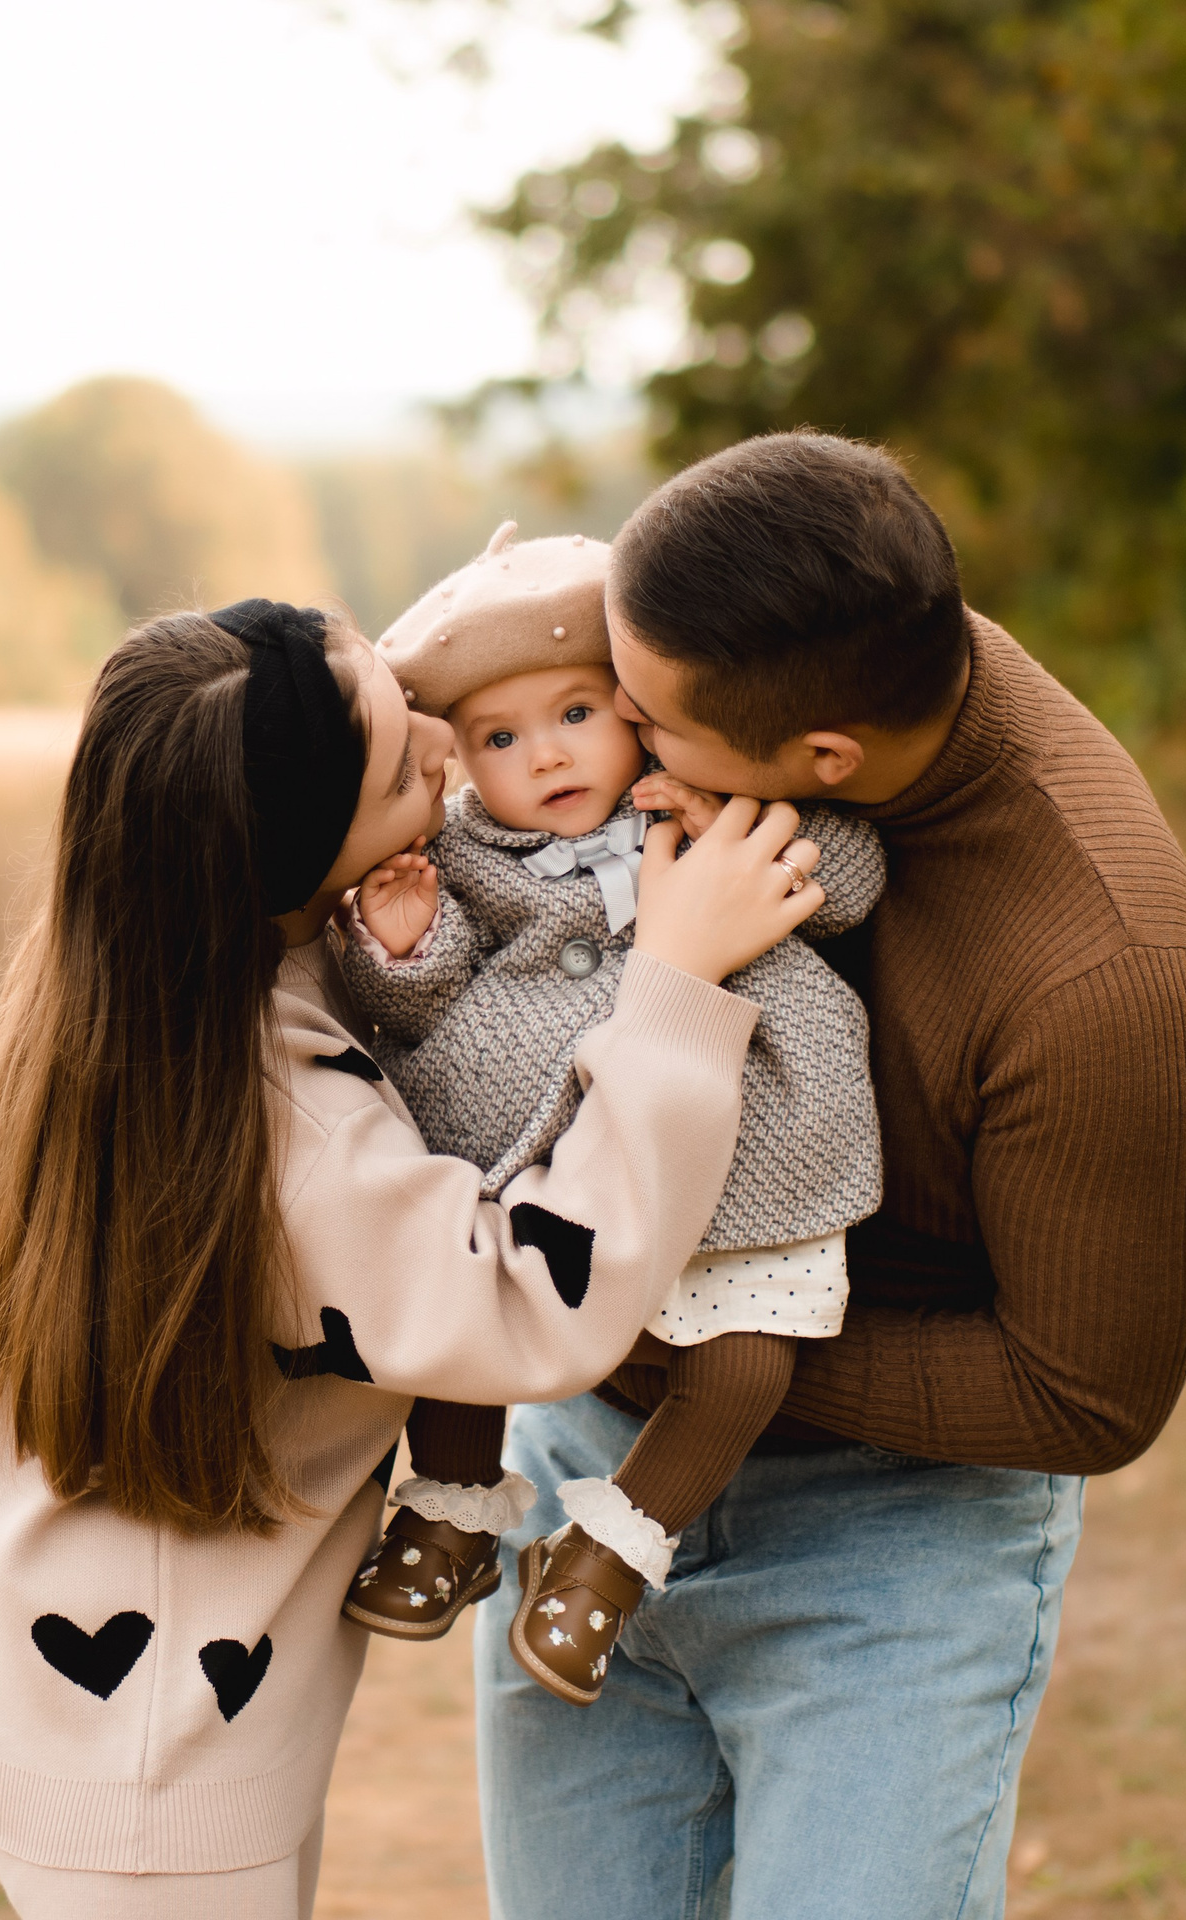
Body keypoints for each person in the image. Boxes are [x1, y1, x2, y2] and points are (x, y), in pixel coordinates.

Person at [0, 598, 826, 1919]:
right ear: (291, 856)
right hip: (162, 1788)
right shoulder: (291, 1131)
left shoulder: (128, 1006)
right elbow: (527, 1303)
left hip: (105, 1741)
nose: (453, 755)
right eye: (408, 765)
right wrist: (674, 980)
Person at [474, 435, 1186, 1919]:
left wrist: (669, 1337)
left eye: (646, 716)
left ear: (824, 763)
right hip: (582, 1475)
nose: (609, 732)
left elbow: (1093, 1397)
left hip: (890, 1553)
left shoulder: (1103, 977)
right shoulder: (797, 640)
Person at [329, 524, 885, 1706]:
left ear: (635, 708)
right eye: (500, 736)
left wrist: (751, 820)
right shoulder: (467, 853)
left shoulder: (718, 801)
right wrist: (403, 941)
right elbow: (415, 1002)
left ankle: (612, 1552)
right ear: (463, 764)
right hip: (548, 1133)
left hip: (749, 1138)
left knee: (745, 1363)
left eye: (577, 712)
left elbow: (851, 882)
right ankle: (450, 1509)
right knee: (469, 1321)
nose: (548, 754)